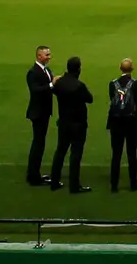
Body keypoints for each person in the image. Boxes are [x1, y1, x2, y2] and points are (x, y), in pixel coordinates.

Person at [49, 56, 93, 194]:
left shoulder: (60, 83)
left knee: (60, 151)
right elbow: (89, 99)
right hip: (78, 124)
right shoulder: (79, 86)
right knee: (75, 154)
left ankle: (54, 181)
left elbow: (53, 90)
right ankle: (74, 186)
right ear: (79, 68)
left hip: (63, 122)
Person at [106, 58, 137, 193]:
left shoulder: (112, 84)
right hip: (132, 123)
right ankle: (133, 183)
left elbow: (112, 99)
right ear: (132, 69)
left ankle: (114, 184)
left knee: (116, 154)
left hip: (116, 123)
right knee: (132, 153)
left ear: (120, 68)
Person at [24, 45, 55, 186]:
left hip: (44, 112)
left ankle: (34, 173)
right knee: (38, 143)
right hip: (38, 113)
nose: (49, 57)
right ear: (39, 56)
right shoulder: (33, 72)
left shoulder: (46, 70)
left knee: (40, 142)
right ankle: (33, 176)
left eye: (49, 54)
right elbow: (35, 90)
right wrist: (51, 85)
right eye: (47, 55)